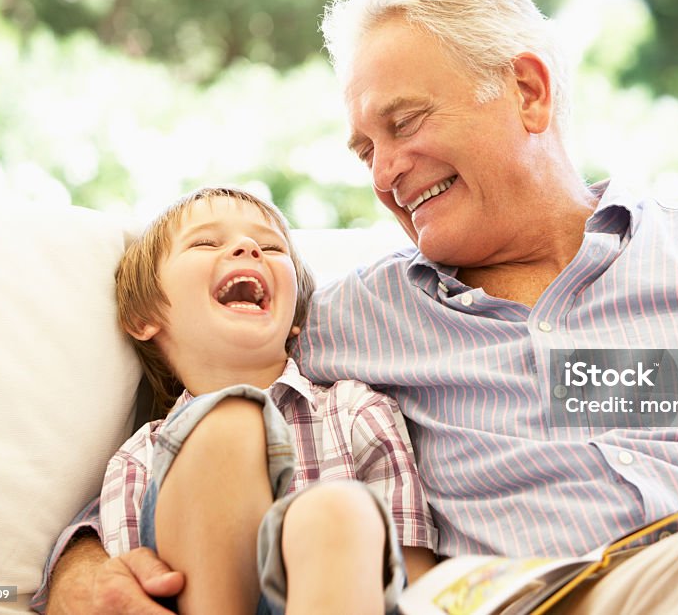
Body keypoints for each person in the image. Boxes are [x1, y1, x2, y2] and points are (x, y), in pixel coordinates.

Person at [39, 0, 678, 615]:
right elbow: (188, 424)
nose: (385, 172)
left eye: (404, 124)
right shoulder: (346, 319)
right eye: (365, 149)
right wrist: (78, 562)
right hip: (523, 596)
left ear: (527, 91)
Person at [89, 187, 436, 614]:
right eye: (206, 242)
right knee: (229, 422)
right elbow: (130, 596)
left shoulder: (357, 411)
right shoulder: (139, 459)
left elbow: (415, 580)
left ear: (297, 318)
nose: (248, 247)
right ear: (144, 316)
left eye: (270, 247)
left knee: (336, 510)